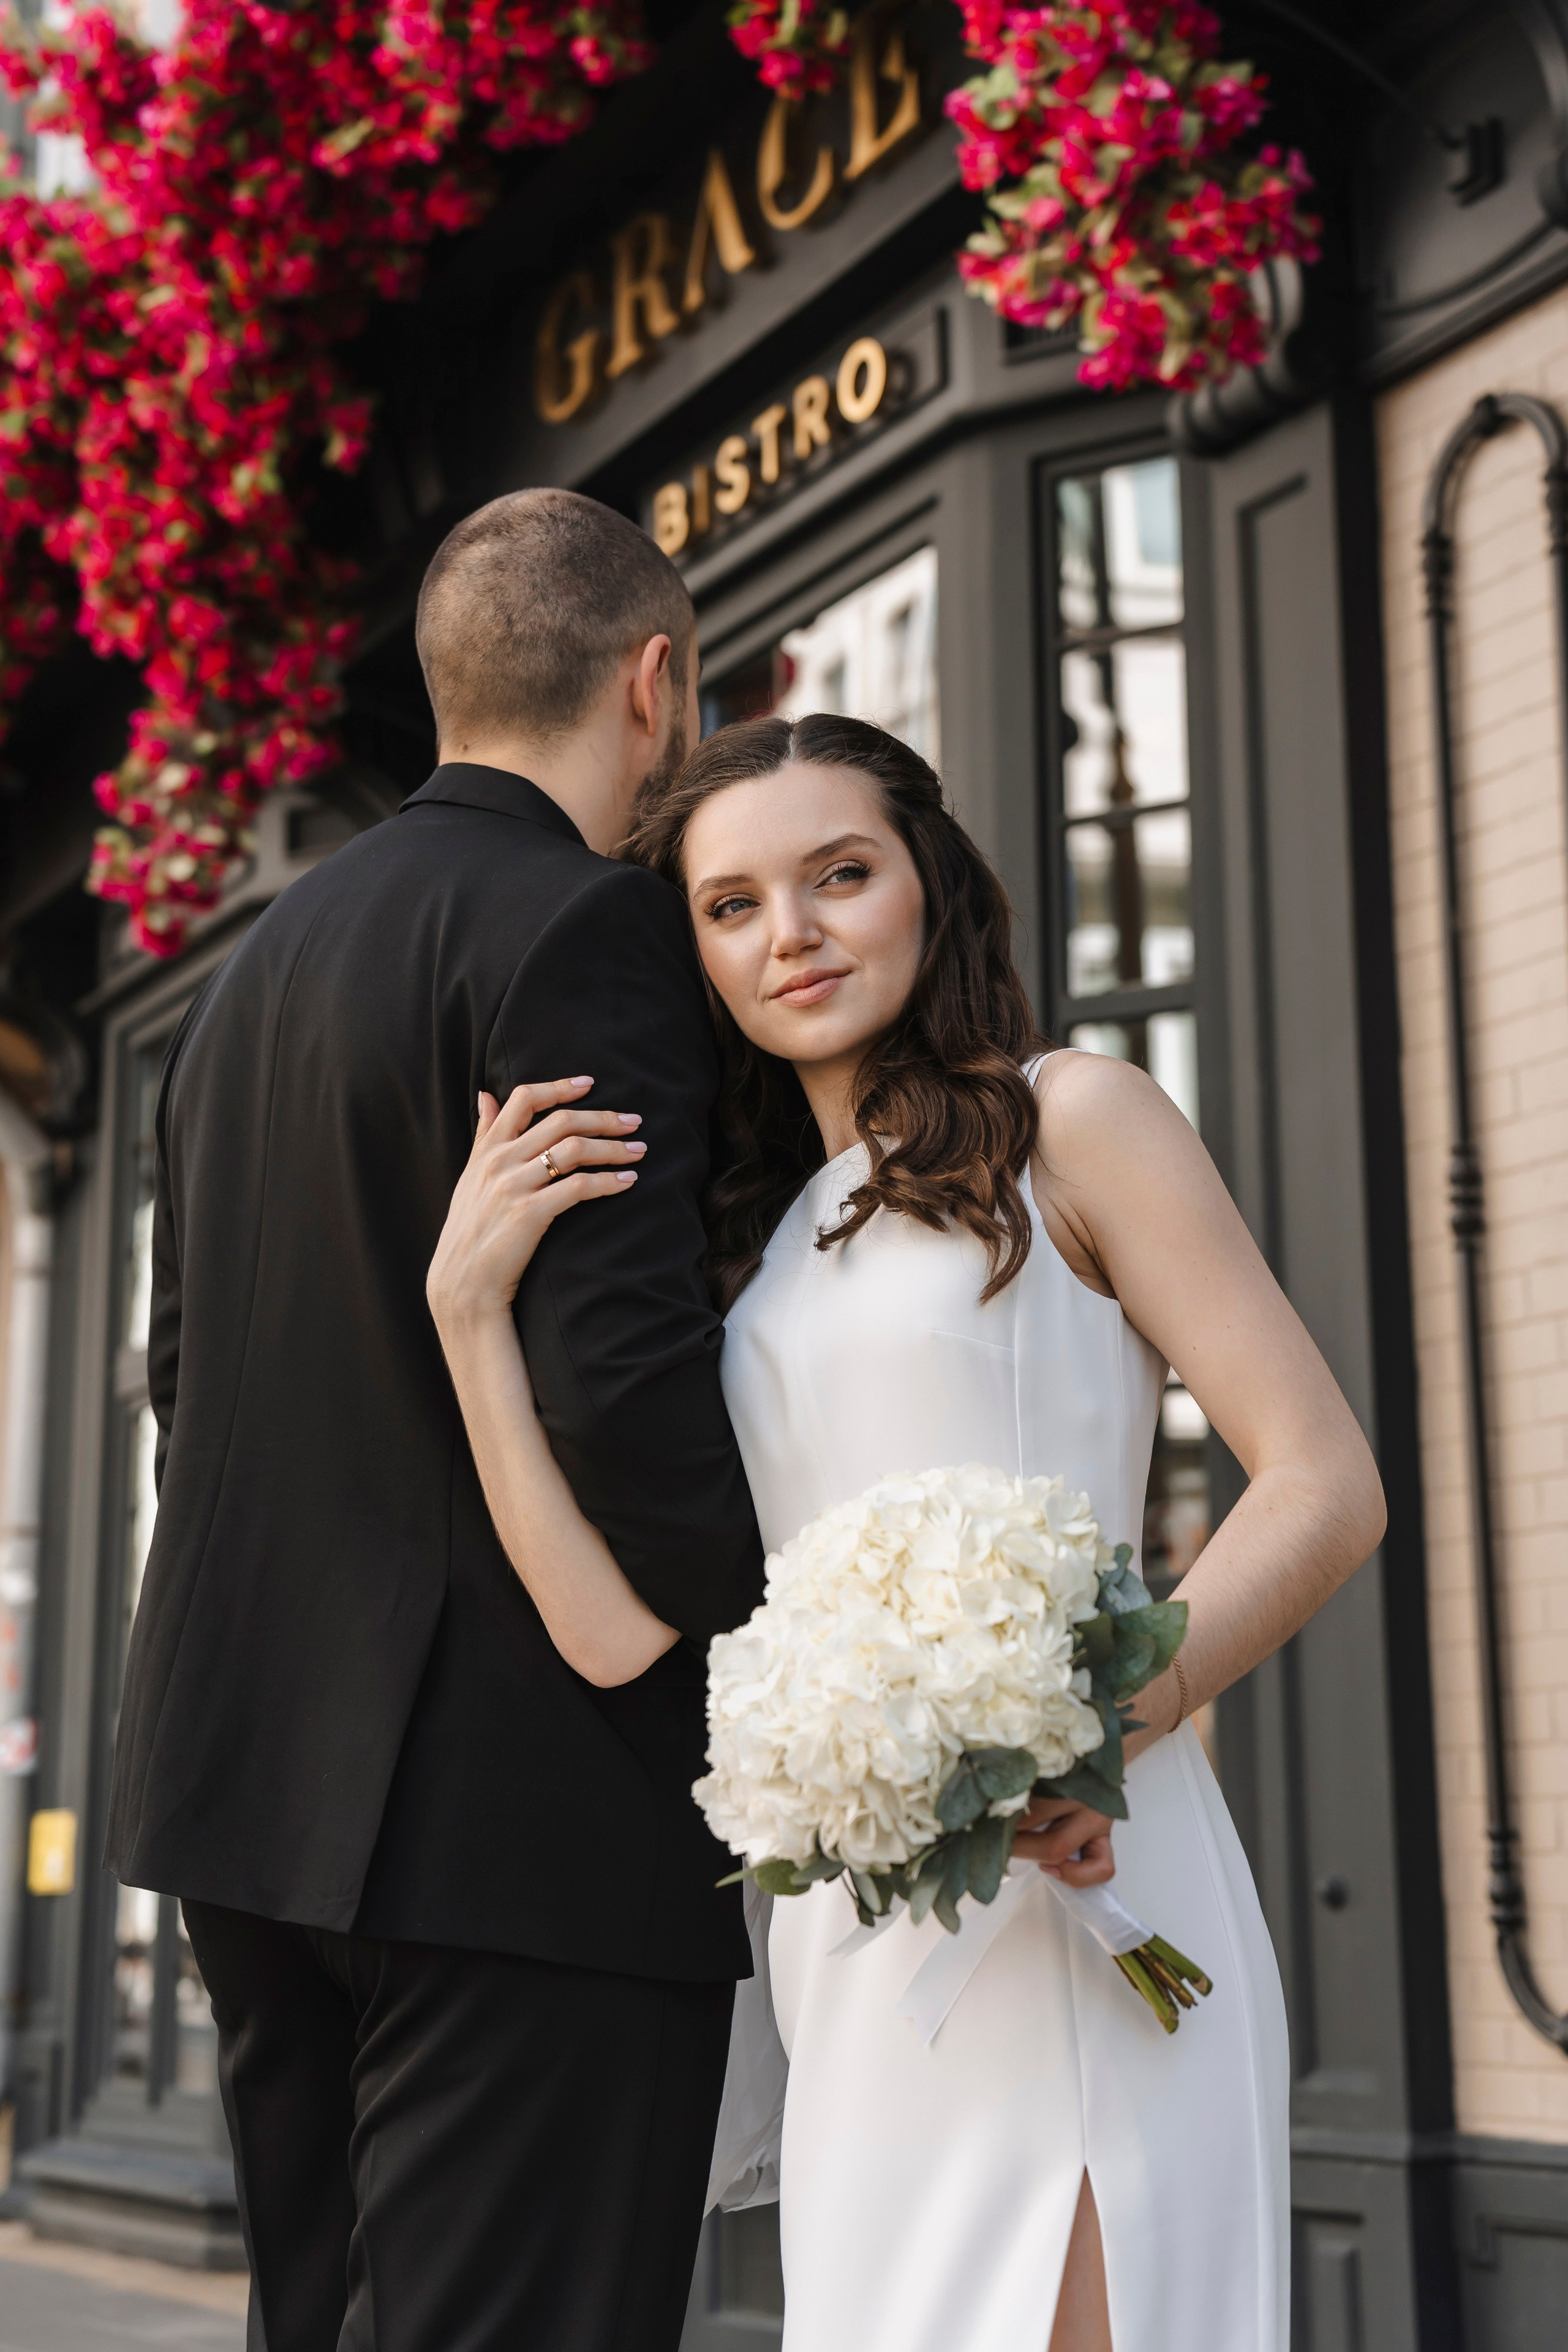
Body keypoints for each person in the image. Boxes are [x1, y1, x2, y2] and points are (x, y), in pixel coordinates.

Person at [429, 711, 1387, 2352]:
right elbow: (610, 1631)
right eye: (733, 906)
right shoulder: (736, 1256)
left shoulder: (1070, 1120)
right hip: (853, 1935)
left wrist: (1101, 1730)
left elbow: (1322, 1481)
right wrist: (467, 1320)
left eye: (841, 874)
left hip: (1080, 1871)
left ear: (930, 884)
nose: (791, 934)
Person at [105, 489, 765, 2352]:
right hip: (518, 1819)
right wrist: (793, 1629)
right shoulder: (590, 929)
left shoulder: (238, 987)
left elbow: (184, 1390)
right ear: (654, 682)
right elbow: (621, 1382)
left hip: (246, 1803)